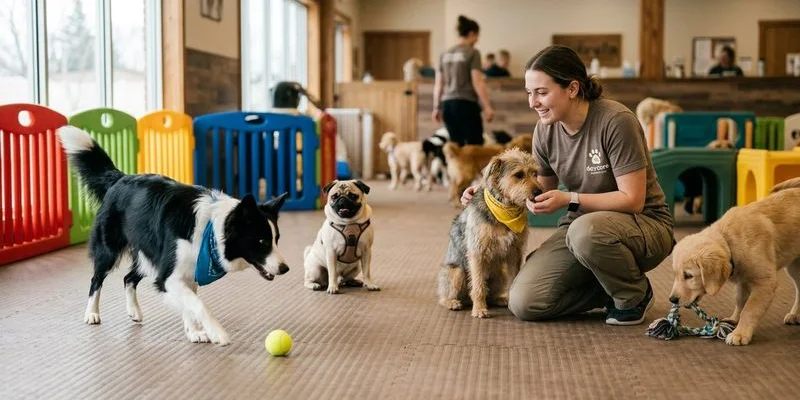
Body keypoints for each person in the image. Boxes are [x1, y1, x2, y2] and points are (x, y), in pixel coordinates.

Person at [460, 45, 675, 325]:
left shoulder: (616, 121)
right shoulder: (544, 129)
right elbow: (538, 192)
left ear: (572, 89)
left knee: (586, 232)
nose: (532, 102)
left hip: (642, 224)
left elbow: (633, 199)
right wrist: (490, 194)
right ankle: (605, 289)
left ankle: (633, 294)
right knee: (524, 301)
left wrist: (569, 199)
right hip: (579, 230)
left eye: (541, 92)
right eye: (529, 93)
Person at [432, 15, 494, 146]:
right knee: (475, 146)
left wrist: (436, 107)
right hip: (466, 104)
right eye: (477, 35)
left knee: (456, 147)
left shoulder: (444, 54)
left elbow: (438, 85)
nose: (477, 39)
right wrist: (487, 106)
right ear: (471, 33)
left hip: (447, 105)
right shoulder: (473, 52)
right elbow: (478, 82)